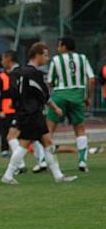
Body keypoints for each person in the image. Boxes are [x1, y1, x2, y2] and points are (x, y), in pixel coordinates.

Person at [1, 43, 77, 185]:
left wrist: (19, 103)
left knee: (47, 142)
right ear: (38, 55)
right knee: (24, 144)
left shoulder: (20, 71)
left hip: (29, 112)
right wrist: (55, 108)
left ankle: (58, 176)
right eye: (46, 55)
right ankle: (8, 175)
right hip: (32, 113)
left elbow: (15, 92)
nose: (47, 58)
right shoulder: (34, 73)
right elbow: (44, 95)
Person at [46, 37, 96, 172]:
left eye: (59, 46)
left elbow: (50, 82)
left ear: (64, 47)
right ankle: (82, 162)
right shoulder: (83, 58)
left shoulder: (56, 60)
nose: (57, 48)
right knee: (80, 130)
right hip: (78, 96)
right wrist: (88, 97)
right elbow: (92, 80)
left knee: (48, 130)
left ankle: (45, 162)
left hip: (59, 96)